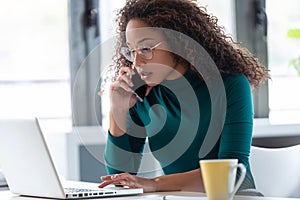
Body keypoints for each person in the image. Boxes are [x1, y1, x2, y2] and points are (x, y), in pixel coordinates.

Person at [98, 0, 270, 194]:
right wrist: (117, 111)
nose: (137, 62)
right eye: (131, 51)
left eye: (146, 49)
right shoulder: (141, 93)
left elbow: (232, 175)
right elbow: (120, 181)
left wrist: (154, 183)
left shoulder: (230, 85)